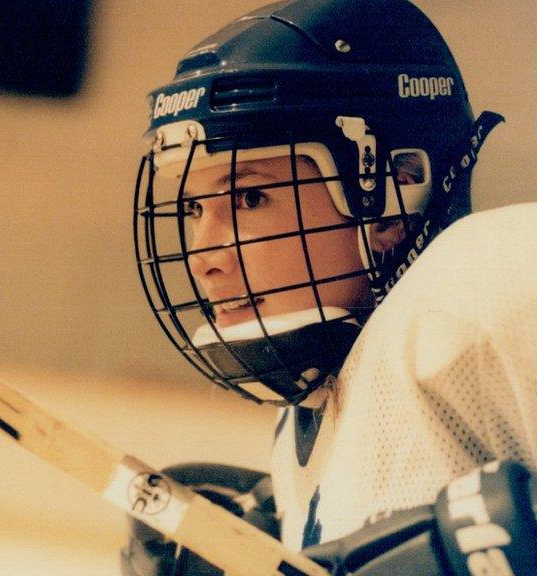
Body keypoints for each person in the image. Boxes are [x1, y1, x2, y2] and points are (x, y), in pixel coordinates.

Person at [123, 1, 537, 574]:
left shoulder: (477, 281)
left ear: (394, 195)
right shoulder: (309, 416)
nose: (204, 258)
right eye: (195, 206)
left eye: (248, 197)